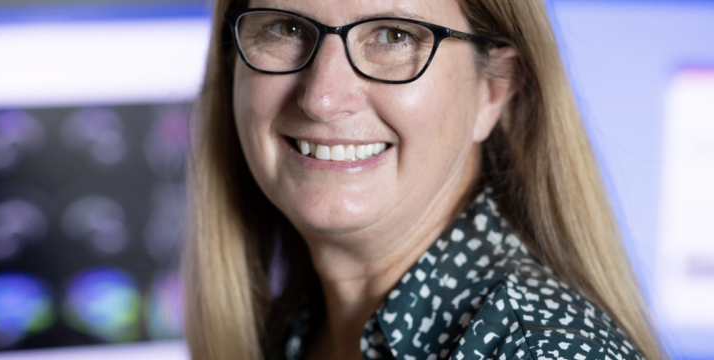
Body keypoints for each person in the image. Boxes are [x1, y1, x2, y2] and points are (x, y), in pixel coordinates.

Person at [184, 0, 664, 359]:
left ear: (493, 91)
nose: (322, 99)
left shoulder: (536, 349)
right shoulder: (294, 331)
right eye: (286, 27)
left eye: (394, 36)